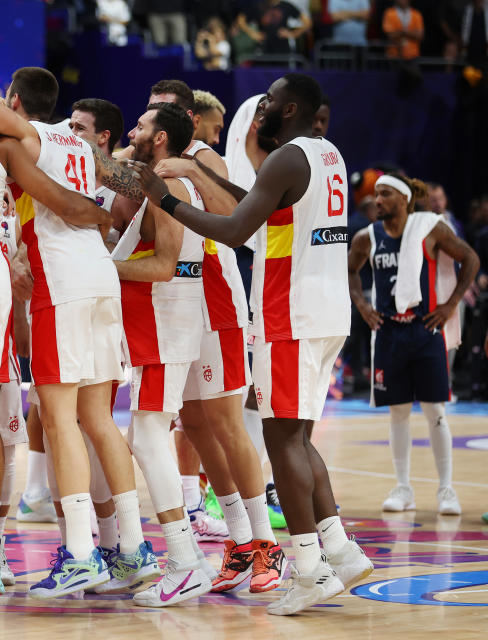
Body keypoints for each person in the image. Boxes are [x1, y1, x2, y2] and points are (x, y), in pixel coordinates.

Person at [0, 66, 160, 599]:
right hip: (100, 276)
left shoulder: (23, 136)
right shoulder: (79, 142)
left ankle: (82, 557)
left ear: (13, 101)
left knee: (59, 419)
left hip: (59, 281)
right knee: (99, 418)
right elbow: (131, 185)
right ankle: (132, 548)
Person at [129, 74, 374, 615]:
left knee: (281, 439)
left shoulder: (287, 157)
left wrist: (165, 200)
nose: (258, 109)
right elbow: (258, 207)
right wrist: (195, 169)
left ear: (288, 108)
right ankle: (340, 548)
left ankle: (307, 570)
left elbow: (238, 230)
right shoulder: (326, 154)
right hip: (326, 312)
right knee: (300, 436)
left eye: (267, 102)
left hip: (291, 313)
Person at [111, 102, 216, 606]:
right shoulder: (157, 181)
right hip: (158, 324)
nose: (132, 130)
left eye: (141, 126)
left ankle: (183, 560)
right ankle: (186, 557)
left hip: (163, 322)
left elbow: (164, 266)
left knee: (149, 439)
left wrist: (98, 269)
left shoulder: (171, 187)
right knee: (144, 436)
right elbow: (111, 173)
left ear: (159, 139)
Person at [347, 175, 478, 515]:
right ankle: (403, 488)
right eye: (375, 195)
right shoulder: (367, 237)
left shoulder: (429, 229)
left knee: (435, 411)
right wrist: (362, 305)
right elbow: (348, 270)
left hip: (425, 331)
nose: (377, 200)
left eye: (384, 194)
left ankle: (446, 490)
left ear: (403, 199)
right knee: (398, 413)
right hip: (390, 334)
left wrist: (450, 306)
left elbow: (470, 259)